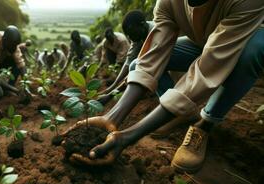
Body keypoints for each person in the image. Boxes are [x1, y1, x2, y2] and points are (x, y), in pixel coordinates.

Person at [63, 0, 264, 173]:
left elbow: (209, 67)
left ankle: (205, 123)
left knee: (251, 53)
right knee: (137, 64)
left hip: (245, 37)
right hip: (204, 40)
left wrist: (128, 136)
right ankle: (178, 112)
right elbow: (152, 57)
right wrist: (112, 118)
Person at [97, 11, 154, 105]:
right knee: (133, 65)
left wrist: (111, 94)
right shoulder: (137, 36)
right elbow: (129, 62)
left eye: (131, 34)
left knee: (138, 65)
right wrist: (113, 86)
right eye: (128, 35)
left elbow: (141, 67)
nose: (130, 37)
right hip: (157, 59)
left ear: (142, 25)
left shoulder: (155, 32)